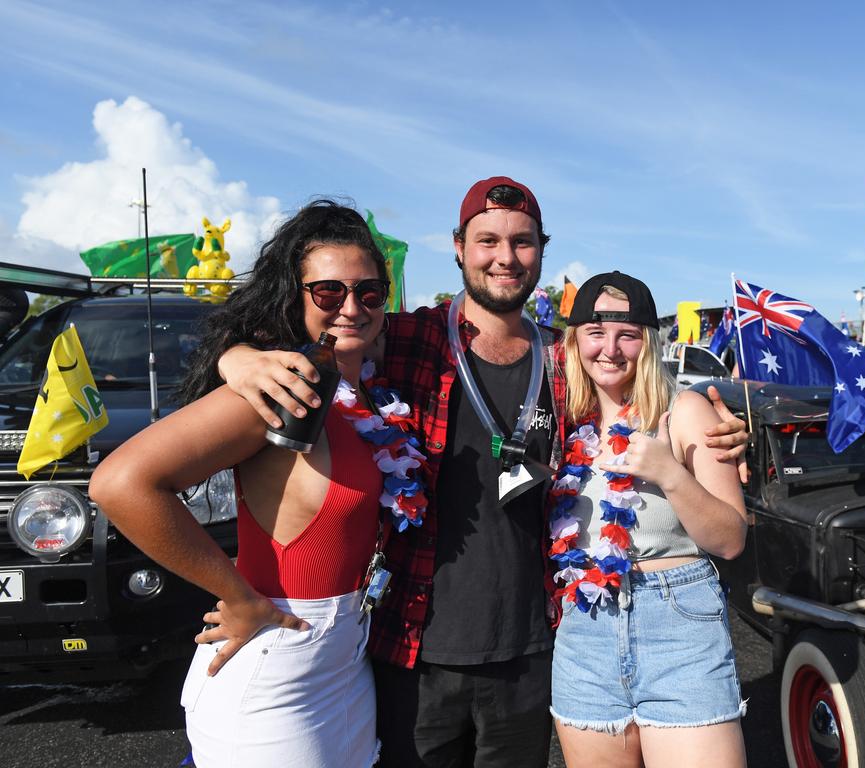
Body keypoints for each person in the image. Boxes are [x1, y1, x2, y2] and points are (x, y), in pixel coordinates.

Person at [216, 177, 749, 768]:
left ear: (541, 250)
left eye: (521, 242)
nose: (505, 257)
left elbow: (643, 402)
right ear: (459, 246)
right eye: (487, 240)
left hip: (534, 649)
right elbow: (305, 332)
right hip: (415, 648)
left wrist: (713, 428)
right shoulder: (408, 338)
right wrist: (235, 356)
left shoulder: (566, 362)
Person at [89, 200, 424, 767]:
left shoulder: (368, 389)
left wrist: (232, 351)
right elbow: (121, 483)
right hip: (276, 667)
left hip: (346, 665)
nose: (351, 308)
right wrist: (237, 595)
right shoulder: (281, 389)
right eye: (327, 293)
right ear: (295, 297)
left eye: (369, 293)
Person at [549, 271, 747, 767]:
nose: (611, 349)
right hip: (585, 632)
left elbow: (730, 540)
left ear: (649, 342)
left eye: (627, 334)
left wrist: (670, 475)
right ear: (576, 343)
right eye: (596, 333)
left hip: (679, 628)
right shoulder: (565, 422)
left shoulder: (684, 412)